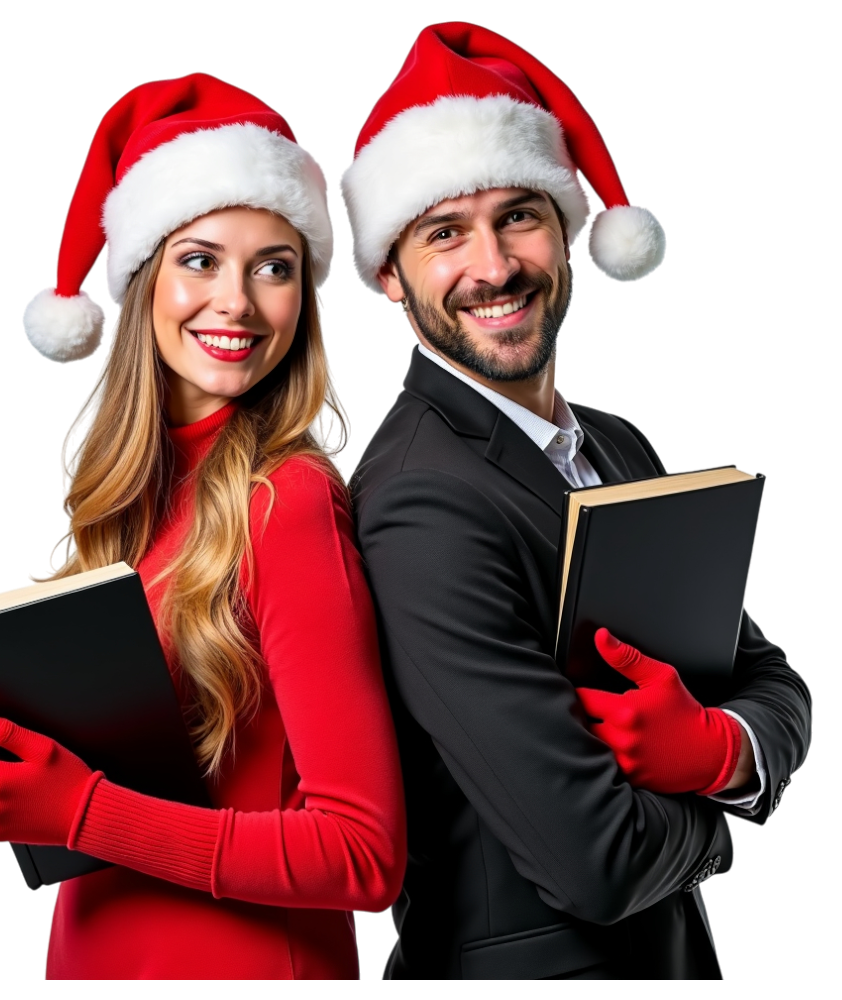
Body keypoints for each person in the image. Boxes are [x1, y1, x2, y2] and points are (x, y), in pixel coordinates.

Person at [338, 22, 811, 980]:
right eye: (443, 233)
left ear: (569, 231)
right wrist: (729, 805)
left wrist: (721, 748)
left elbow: (772, 681)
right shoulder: (417, 501)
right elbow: (597, 861)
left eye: (520, 216)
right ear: (389, 275)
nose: (495, 266)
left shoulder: (615, 441)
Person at [0, 73, 406, 979]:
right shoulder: (122, 501)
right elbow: (114, 774)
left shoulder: (287, 499)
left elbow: (363, 855)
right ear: (142, 282)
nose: (239, 303)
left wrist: (84, 813)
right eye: (201, 259)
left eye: (275, 266)